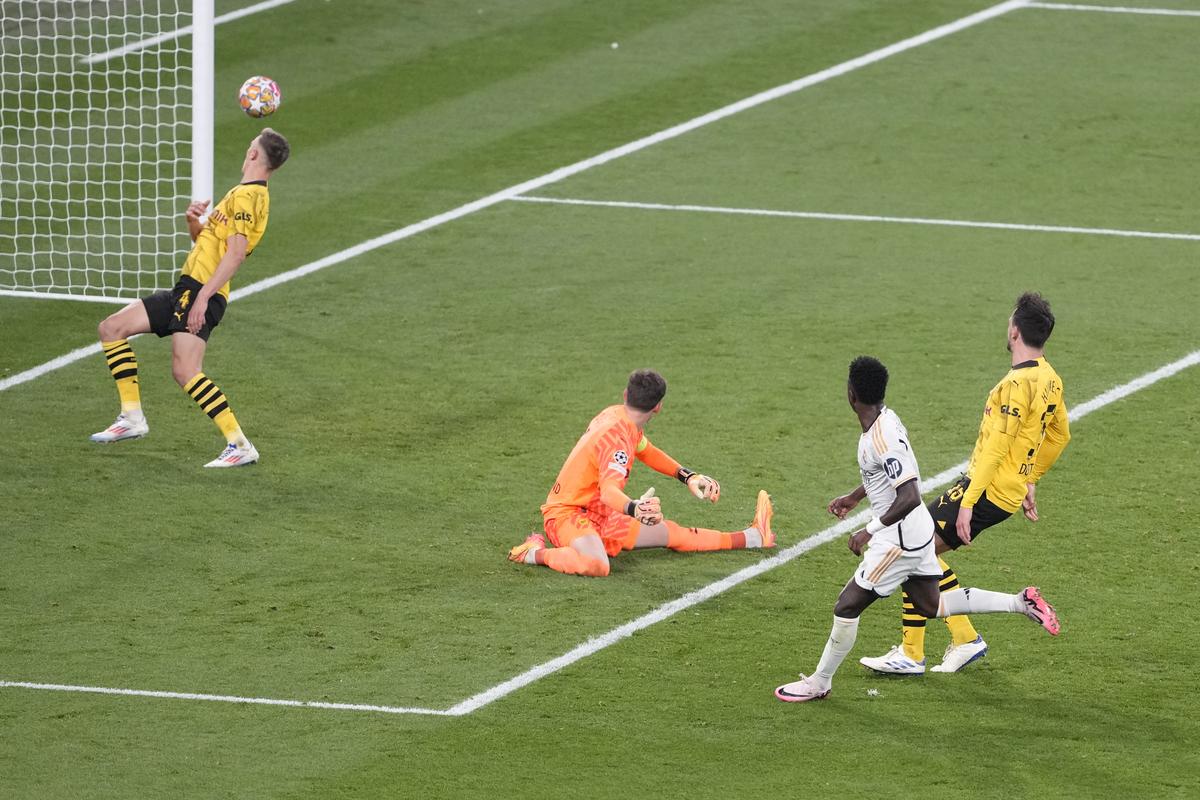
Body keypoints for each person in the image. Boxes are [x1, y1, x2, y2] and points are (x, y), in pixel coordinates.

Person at [774, 356, 1058, 703]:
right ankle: (1019, 603)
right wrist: (854, 496)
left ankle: (820, 682)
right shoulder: (887, 420)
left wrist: (868, 530)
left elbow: (908, 495)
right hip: (920, 530)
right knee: (930, 605)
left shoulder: (880, 438)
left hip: (898, 540)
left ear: (851, 395)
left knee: (846, 606)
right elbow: (888, 474)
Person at [853, 293, 1070, 674]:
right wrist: (1030, 478)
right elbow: (1058, 436)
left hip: (985, 490)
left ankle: (914, 653)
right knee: (922, 550)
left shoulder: (1013, 386)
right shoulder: (1051, 379)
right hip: (1005, 491)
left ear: (1015, 330)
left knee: (913, 549)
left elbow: (997, 449)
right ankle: (961, 639)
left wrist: (968, 501)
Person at [90, 128, 290, 468]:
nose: (247, 148)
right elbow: (206, 244)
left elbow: (236, 254)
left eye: (250, 144)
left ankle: (239, 444)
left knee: (186, 370)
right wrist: (193, 222)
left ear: (255, 154)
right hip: (187, 288)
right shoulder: (244, 194)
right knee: (112, 329)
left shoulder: (247, 198)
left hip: (201, 292)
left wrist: (202, 299)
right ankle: (132, 418)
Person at [507, 369, 775, 577]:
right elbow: (610, 490)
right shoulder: (617, 443)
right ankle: (533, 553)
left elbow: (646, 450)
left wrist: (688, 476)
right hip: (567, 514)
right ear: (658, 406)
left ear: (626, 395)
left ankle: (754, 536)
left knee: (672, 535)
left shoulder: (616, 416)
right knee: (597, 565)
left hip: (599, 512)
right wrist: (635, 509)